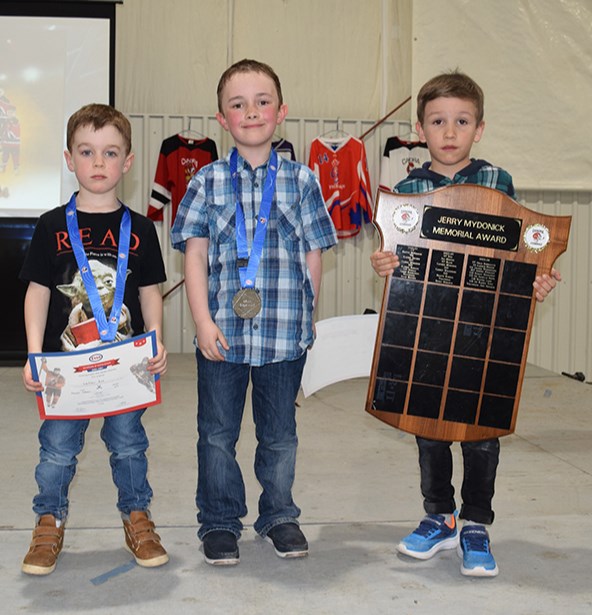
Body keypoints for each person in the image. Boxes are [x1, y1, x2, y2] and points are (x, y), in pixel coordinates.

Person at [370, 71, 561, 577]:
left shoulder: (498, 182)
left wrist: (535, 281)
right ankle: (440, 517)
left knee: (480, 433)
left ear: (479, 128)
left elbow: (520, 254)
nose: (449, 131)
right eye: (438, 121)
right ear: (420, 128)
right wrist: (385, 265)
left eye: (461, 121)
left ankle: (476, 524)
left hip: (483, 332)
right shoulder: (408, 189)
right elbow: (397, 257)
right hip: (427, 332)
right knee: (427, 427)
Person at [171, 59, 337, 566]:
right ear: (222, 118)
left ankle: (279, 514)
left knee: (280, 434)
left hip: (284, 336)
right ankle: (220, 521)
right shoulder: (206, 182)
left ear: (281, 112)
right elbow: (194, 254)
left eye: (262, 102)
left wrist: (308, 316)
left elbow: (314, 252)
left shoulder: (303, 181)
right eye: (237, 104)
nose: (251, 112)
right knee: (217, 434)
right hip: (222, 335)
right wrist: (201, 321)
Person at [20, 104, 169, 575]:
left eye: (110, 153)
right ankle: (49, 521)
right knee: (58, 448)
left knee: (129, 444)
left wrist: (157, 342)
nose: (98, 163)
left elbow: (150, 293)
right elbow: (37, 292)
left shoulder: (141, 229)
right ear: (69, 159)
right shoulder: (50, 225)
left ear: (127, 161)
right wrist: (32, 355)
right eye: (87, 152)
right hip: (65, 370)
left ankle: (137, 517)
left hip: (127, 366)